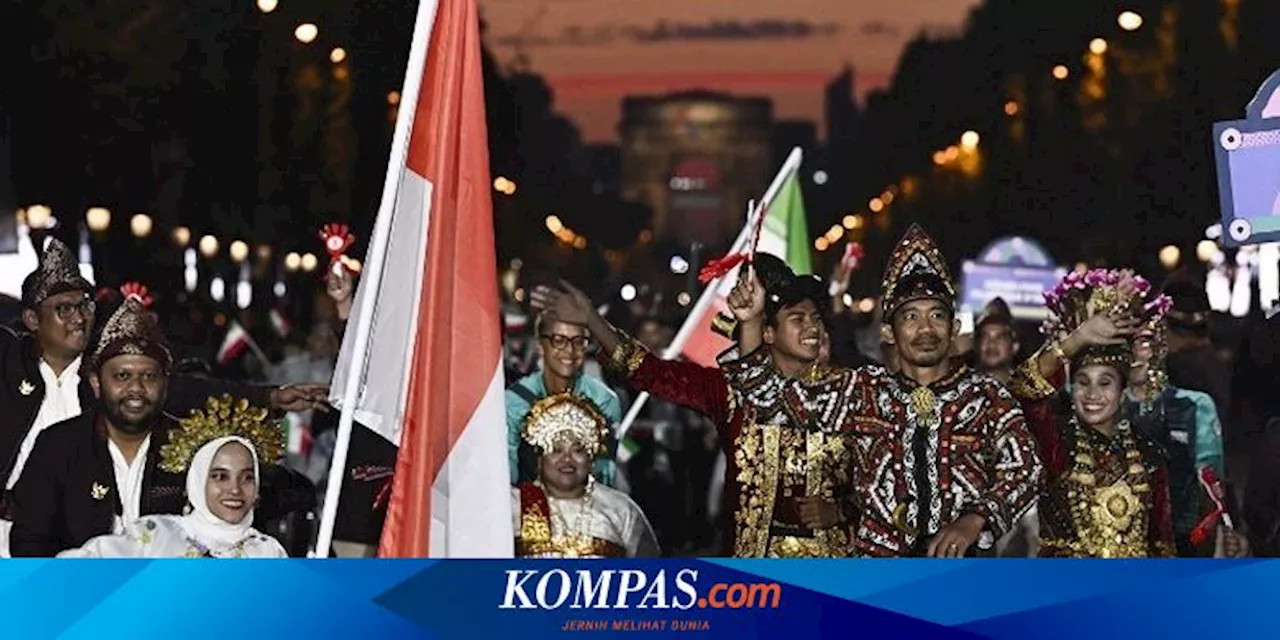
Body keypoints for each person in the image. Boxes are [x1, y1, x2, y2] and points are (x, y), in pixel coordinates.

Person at [729, 225, 1043, 558]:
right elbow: (768, 400)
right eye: (910, 316)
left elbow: (1026, 468)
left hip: (963, 575)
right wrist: (750, 322)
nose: (925, 329)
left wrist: (976, 518)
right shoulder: (860, 390)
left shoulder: (986, 396)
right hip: (878, 572)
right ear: (888, 333)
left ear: (954, 329)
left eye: (937, 315)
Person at [0, 240, 327, 554]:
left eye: (85, 305)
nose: (79, 317)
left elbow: (189, 391)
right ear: (32, 319)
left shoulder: (107, 376)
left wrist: (270, 398)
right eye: (64, 308)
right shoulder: (8, 365)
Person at [533, 253, 860, 557]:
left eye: (816, 318)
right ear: (770, 333)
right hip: (750, 577)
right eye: (798, 318)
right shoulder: (728, 393)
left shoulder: (852, 392)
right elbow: (649, 372)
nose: (813, 328)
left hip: (831, 576)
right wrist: (592, 319)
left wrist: (842, 510)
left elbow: (896, 486)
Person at [1009, 268, 1178, 557]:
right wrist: (1077, 339)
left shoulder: (1149, 454)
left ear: (1123, 389)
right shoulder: (1055, 441)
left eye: (1105, 383)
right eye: (1083, 382)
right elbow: (1021, 388)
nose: (1092, 395)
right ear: (1071, 388)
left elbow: (1162, 544)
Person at [58, 399, 289, 558]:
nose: (235, 489)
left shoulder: (267, 552)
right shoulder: (154, 535)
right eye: (220, 476)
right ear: (197, 483)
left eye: (246, 478)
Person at [1125, 314, 1246, 557]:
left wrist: (1225, 531)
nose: (1138, 351)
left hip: (1180, 544)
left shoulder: (1194, 406)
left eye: (1146, 341)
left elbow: (1212, 483)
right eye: (1126, 342)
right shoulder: (1095, 404)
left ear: (1164, 344)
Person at [512, 393, 658, 558]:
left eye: (578, 450)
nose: (567, 459)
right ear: (539, 458)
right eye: (556, 450)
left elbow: (651, 576)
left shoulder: (622, 510)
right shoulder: (513, 505)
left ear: (591, 456)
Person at [506, 311, 621, 486]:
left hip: (587, 504)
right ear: (540, 345)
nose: (569, 351)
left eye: (578, 342)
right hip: (529, 503)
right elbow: (507, 473)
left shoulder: (603, 400)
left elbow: (605, 474)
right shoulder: (515, 400)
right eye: (558, 341)